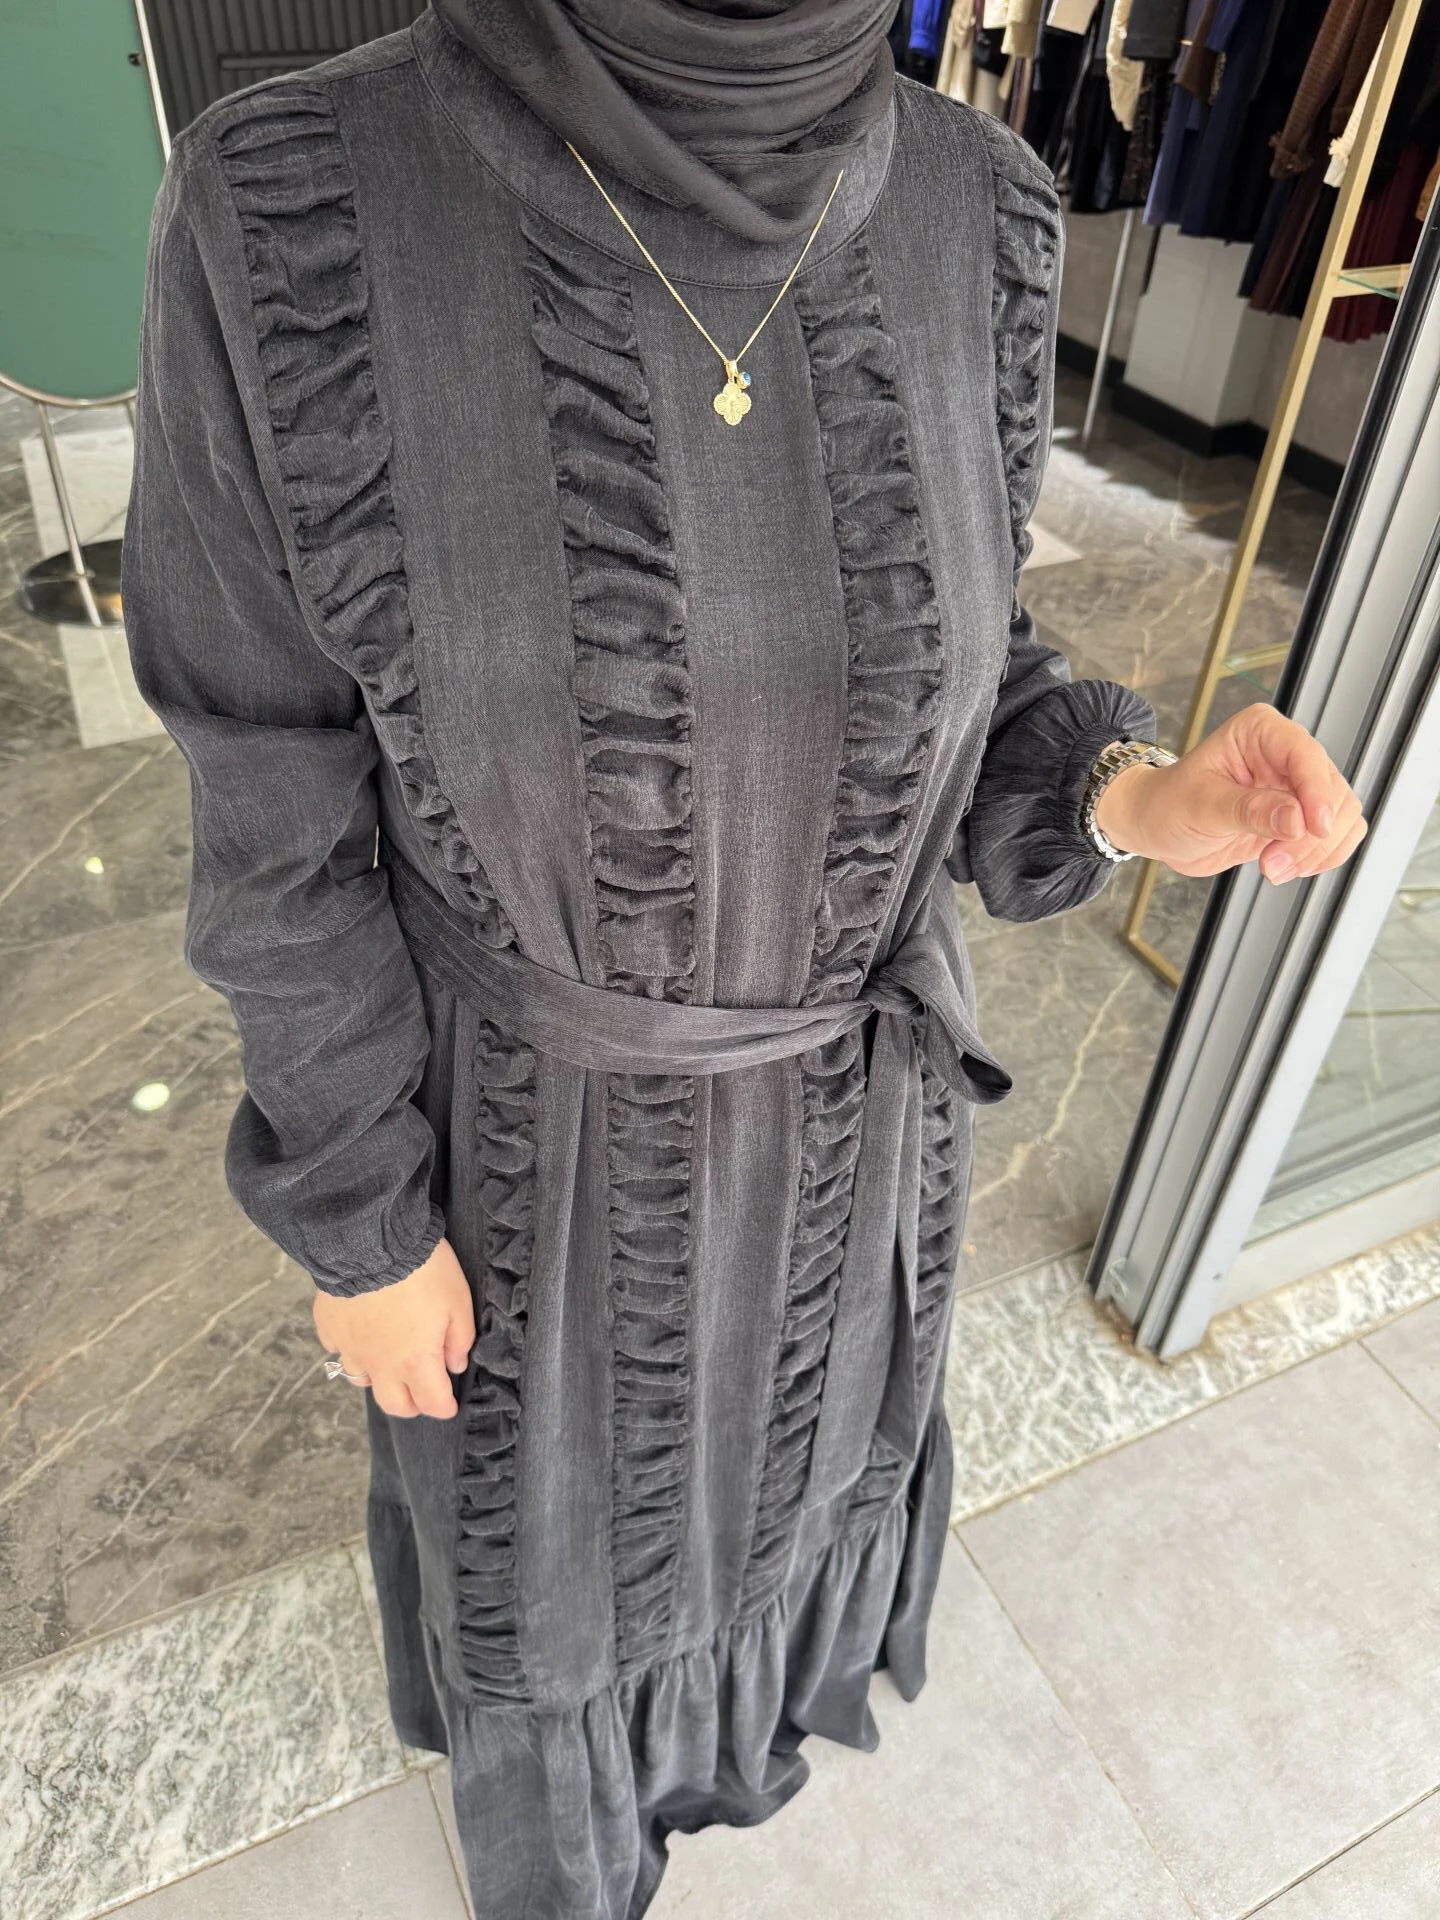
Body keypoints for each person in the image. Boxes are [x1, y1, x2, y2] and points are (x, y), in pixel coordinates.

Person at [121, 2, 1365, 1913]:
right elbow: (268, 804)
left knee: (795, 1483)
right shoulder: (290, 206)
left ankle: (743, 1736)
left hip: (856, 1143)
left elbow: (958, 662)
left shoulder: (982, 208)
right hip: (531, 1171)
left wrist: (1136, 797)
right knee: (556, 1559)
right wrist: (359, 1223)